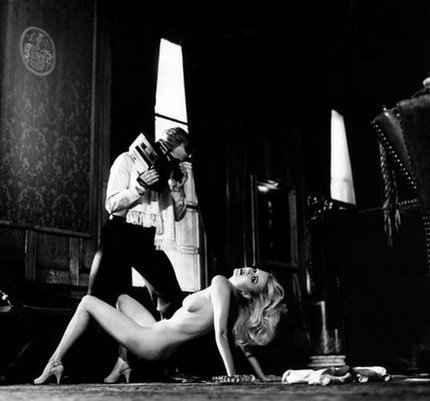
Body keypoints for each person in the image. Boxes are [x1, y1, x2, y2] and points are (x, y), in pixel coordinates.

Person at [33, 267, 286, 384]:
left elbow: (221, 334)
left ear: (248, 294)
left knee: (87, 302)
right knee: (122, 300)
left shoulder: (222, 284)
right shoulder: (232, 303)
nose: (248, 271)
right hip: (159, 335)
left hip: (151, 342)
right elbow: (245, 347)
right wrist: (263, 376)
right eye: (254, 269)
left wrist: (232, 377)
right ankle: (122, 363)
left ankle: (54, 362)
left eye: (254, 279)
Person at [87, 127, 193, 319]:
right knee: (99, 299)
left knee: (172, 299)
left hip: (147, 238)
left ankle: (167, 337)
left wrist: (177, 191)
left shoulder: (168, 177)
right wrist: (139, 187)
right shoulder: (127, 160)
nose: (173, 163)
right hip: (119, 233)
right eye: (171, 158)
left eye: (178, 161)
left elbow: (177, 216)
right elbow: (111, 204)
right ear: (162, 148)